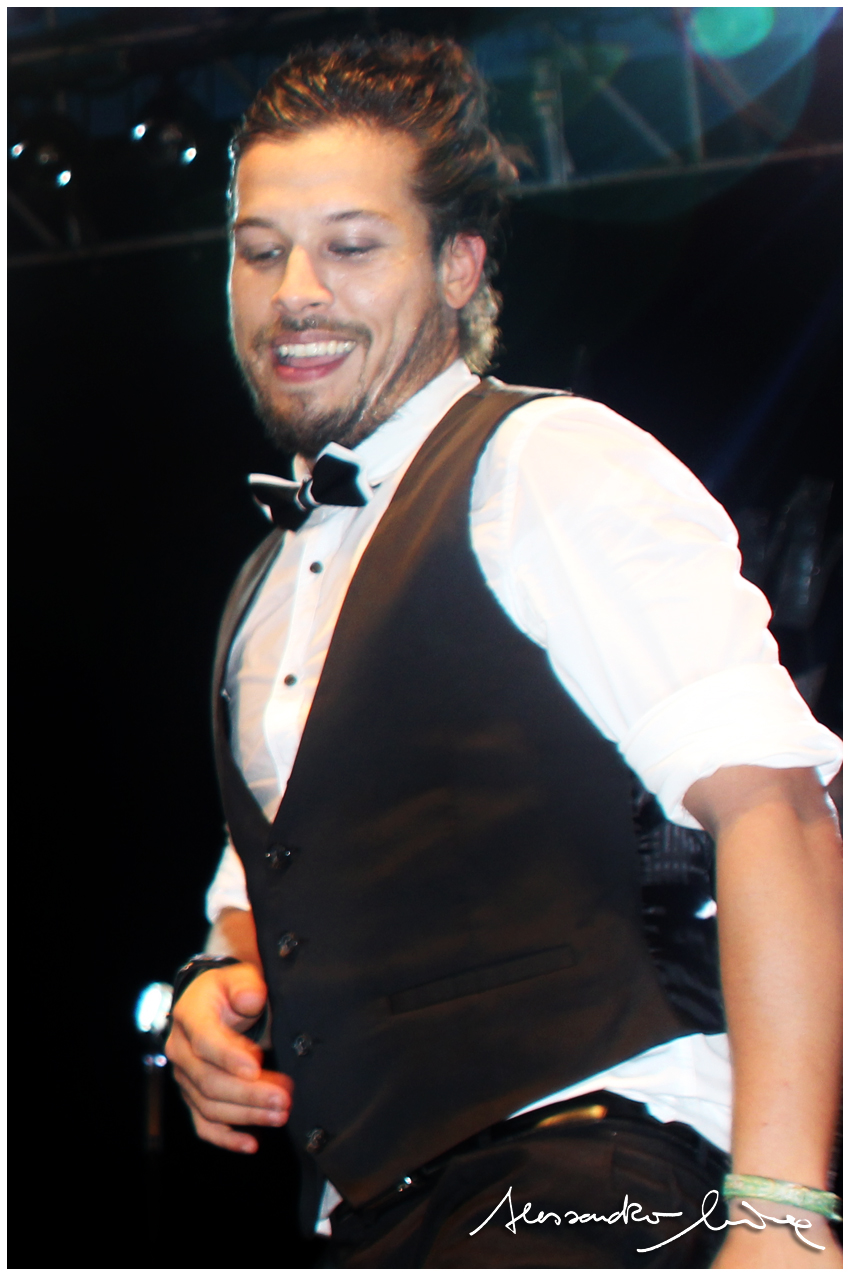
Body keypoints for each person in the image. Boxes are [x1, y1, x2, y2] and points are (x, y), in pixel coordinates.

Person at [165, 35, 842, 1268]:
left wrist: (783, 1215)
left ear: (458, 265)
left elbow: (779, 813)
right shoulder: (265, 586)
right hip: (370, 1214)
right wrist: (215, 989)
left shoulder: (547, 465)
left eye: (350, 246)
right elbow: (277, 895)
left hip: (590, 1163)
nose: (295, 291)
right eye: (260, 252)